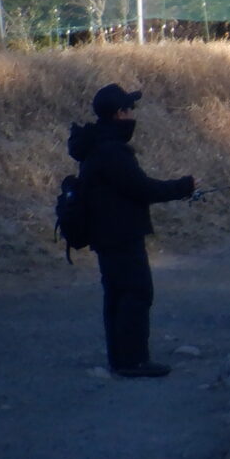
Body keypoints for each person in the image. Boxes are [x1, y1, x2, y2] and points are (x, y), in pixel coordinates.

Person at [69, 84, 195, 378]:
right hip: (119, 234)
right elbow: (141, 188)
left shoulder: (99, 145)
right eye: (129, 110)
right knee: (136, 293)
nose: (133, 115)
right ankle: (133, 361)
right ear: (118, 114)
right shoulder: (112, 150)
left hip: (107, 234)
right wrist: (183, 187)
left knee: (117, 295)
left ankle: (121, 359)